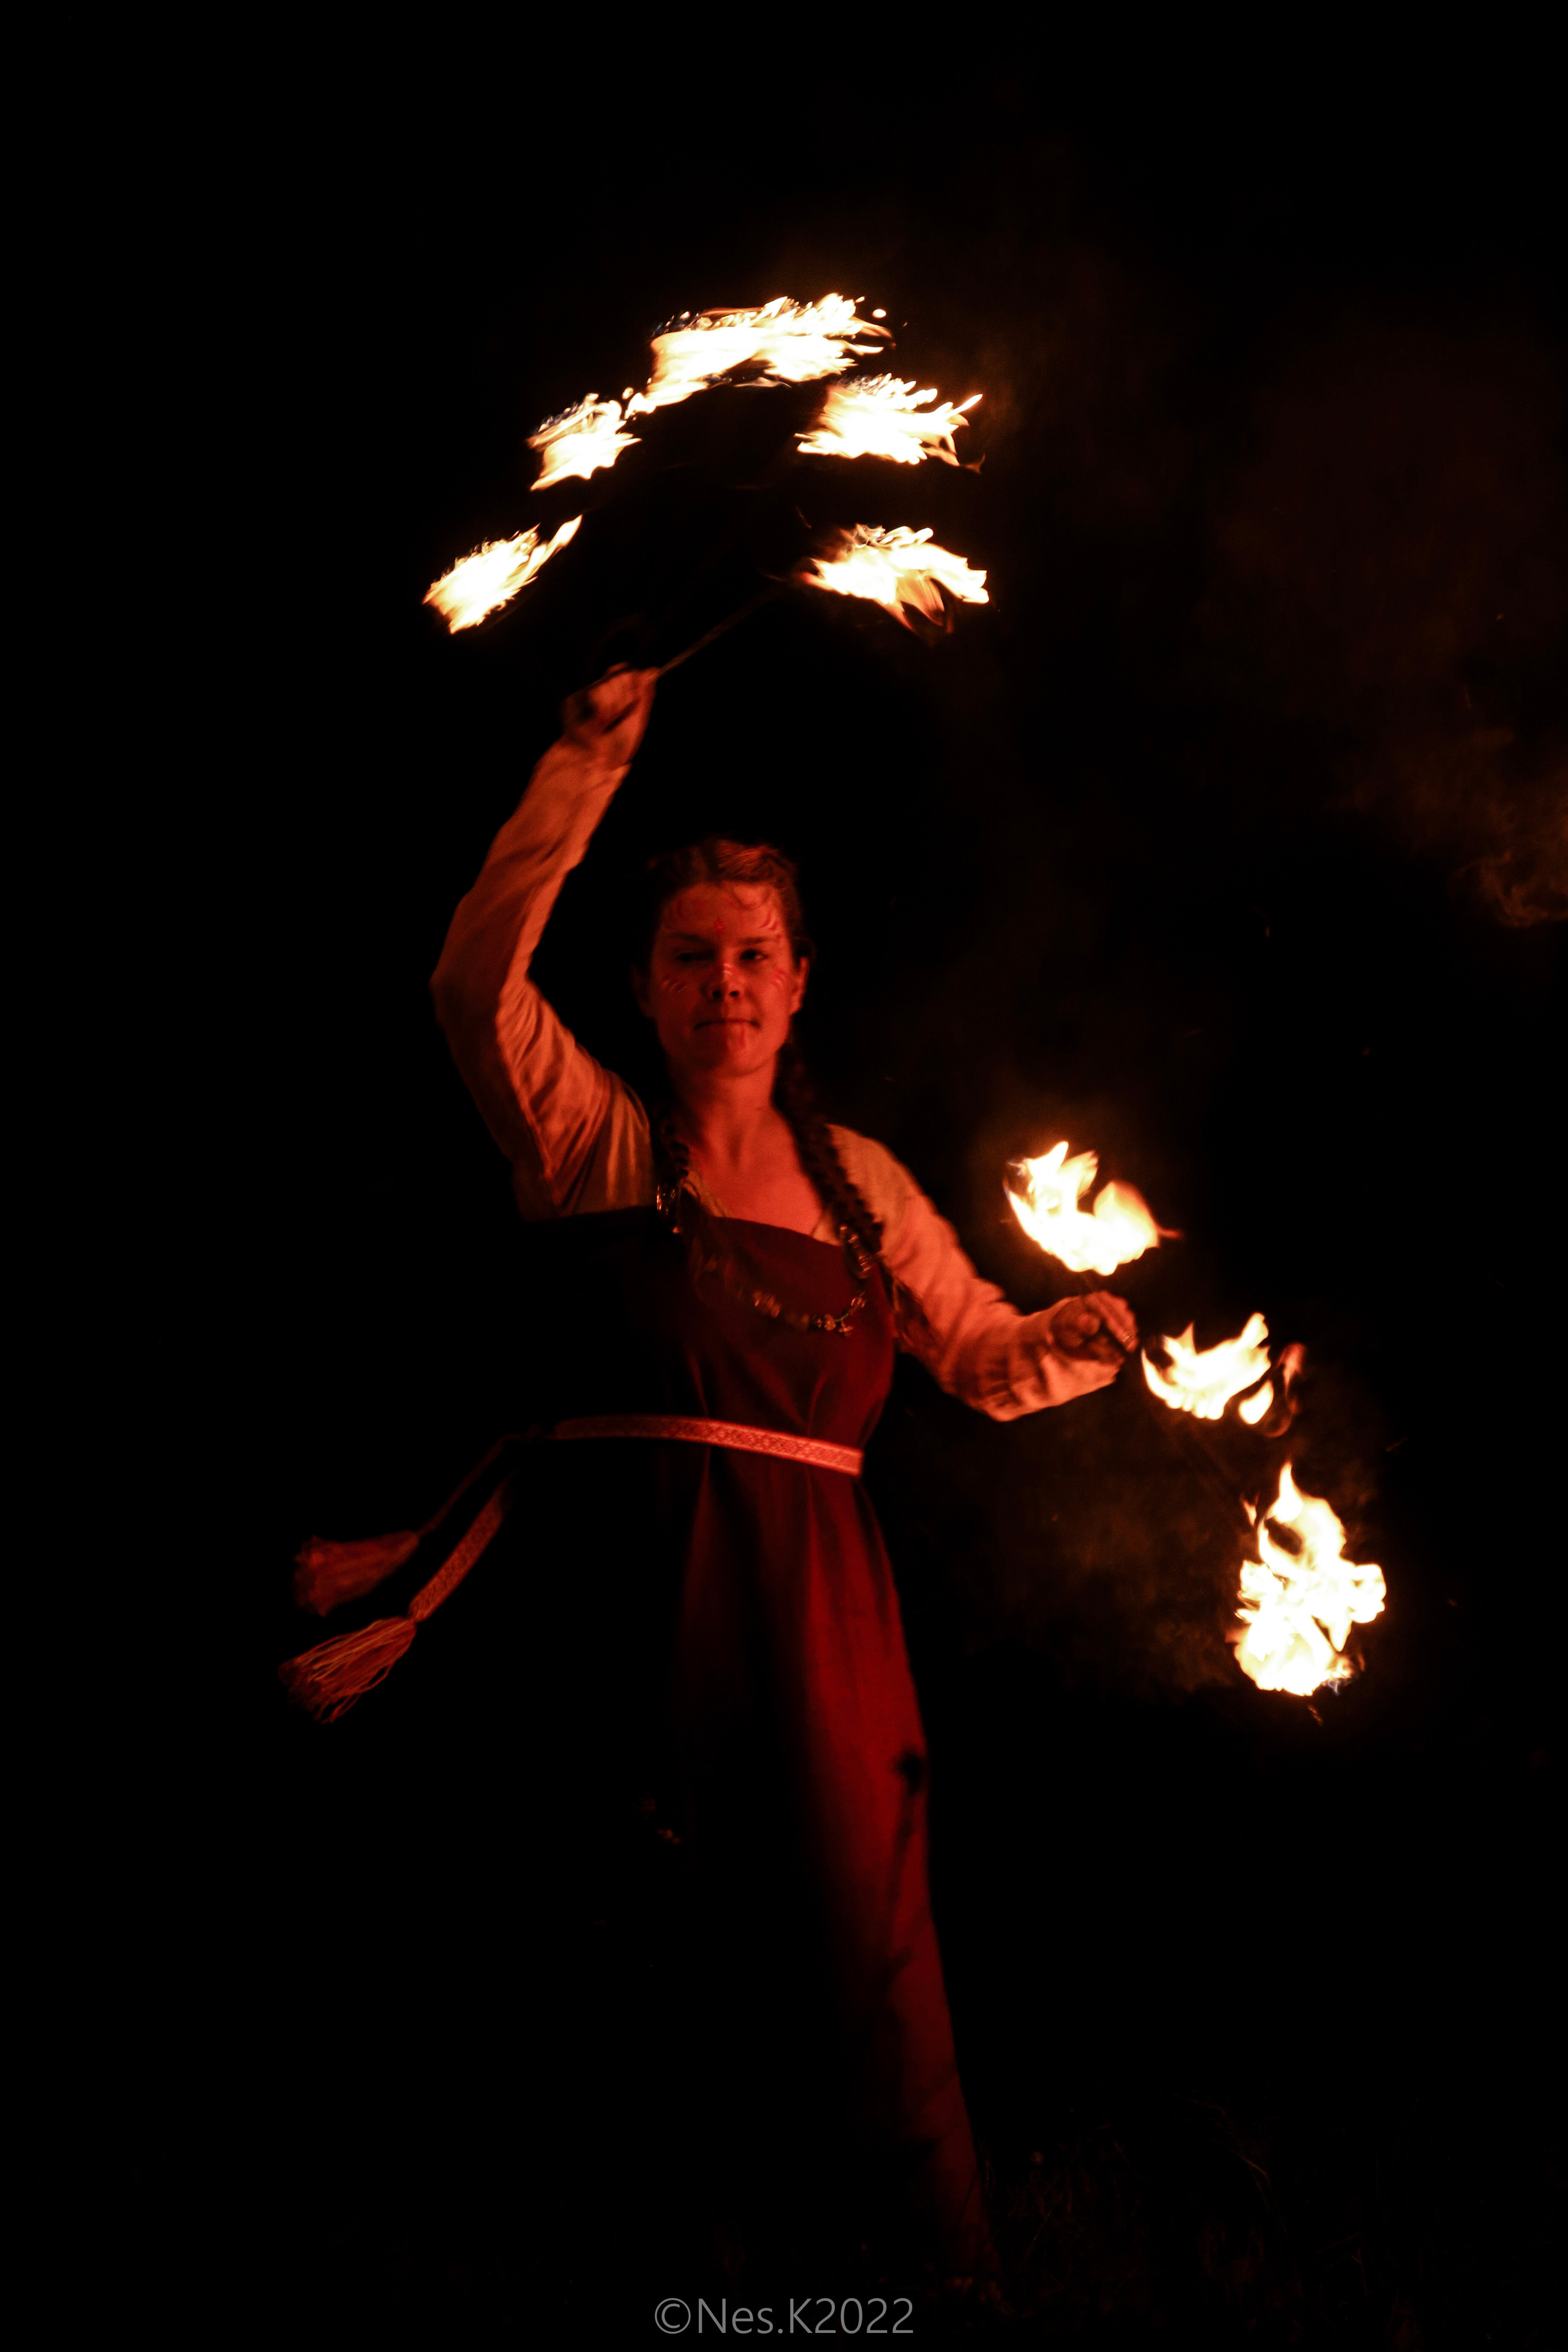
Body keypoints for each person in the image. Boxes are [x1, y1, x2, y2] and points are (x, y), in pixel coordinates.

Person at [430, 664, 1137, 2272]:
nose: (727, 984)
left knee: (858, 1944)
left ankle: (905, 2294)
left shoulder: (863, 1181)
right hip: (634, 1602)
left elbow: (979, 1359)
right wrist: (580, 774)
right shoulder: (590, 1139)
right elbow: (472, 984)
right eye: (695, 958)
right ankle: (638, 2279)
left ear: (801, 984)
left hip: (824, 1624)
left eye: (756, 957)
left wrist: (1072, 1340)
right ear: (648, 984)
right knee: (637, 1943)